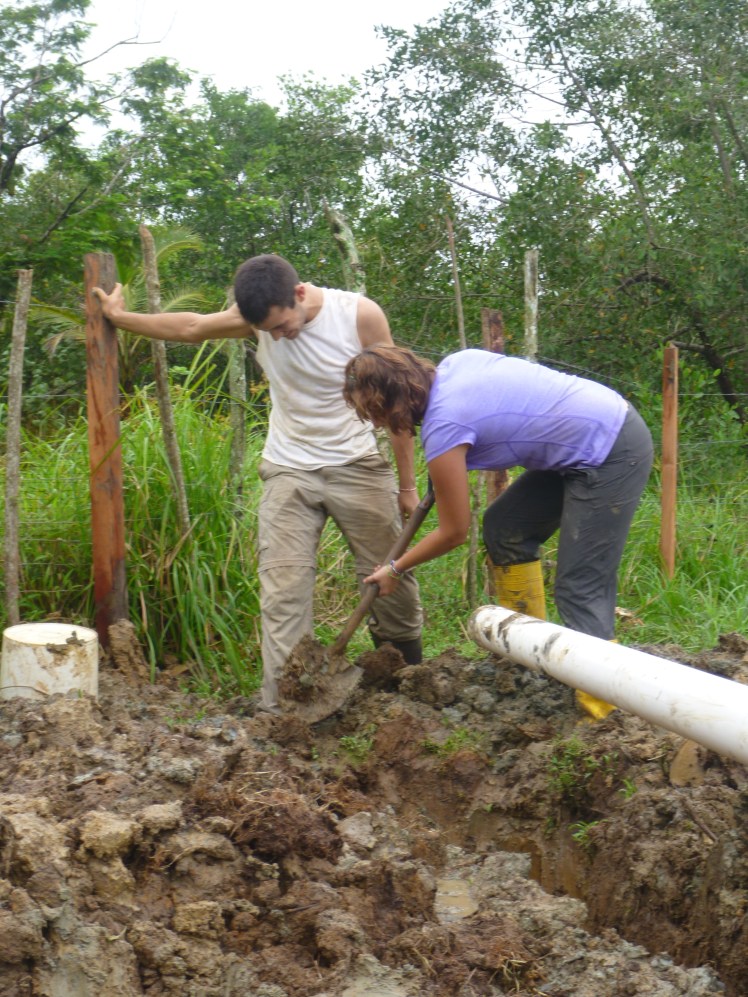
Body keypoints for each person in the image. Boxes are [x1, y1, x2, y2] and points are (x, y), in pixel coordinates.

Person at [92, 254, 423, 713]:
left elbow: (397, 402)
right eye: (268, 331)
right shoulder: (256, 322)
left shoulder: (359, 315)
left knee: (393, 582)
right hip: (288, 468)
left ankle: (406, 684)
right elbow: (190, 327)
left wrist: (407, 487)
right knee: (283, 589)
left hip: (358, 465)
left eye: (285, 325)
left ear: (300, 294)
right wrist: (119, 317)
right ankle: (283, 712)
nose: (279, 336)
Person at [343, 345, 654, 720]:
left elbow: (454, 531)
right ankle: (527, 654)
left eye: (374, 414)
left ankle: (600, 711)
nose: (377, 424)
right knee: (506, 527)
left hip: (613, 447)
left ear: (392, 403)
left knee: (580, 584)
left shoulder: (445, 425)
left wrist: (395, 569)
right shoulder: (454, 365)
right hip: (578, 444)